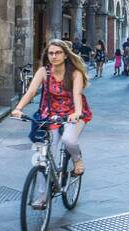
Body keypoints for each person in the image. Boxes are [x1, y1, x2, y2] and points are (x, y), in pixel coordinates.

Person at [13, 39, 92, 177]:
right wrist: (18, 108)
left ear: (66, 55)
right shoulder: (44, 71)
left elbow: (77, 94)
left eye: (58, 53)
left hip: (73, 113)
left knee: (68, 140)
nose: (54, 56)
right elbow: (31, 91)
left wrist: (78, 112)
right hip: (50, 114)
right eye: (51, 53)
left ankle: (77, 159)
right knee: (43, 159)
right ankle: (43, 197)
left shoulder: (75, 73)